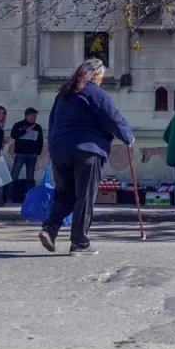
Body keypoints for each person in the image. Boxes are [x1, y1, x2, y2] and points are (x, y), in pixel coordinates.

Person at [39, 58, 134, 256]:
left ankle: (49, 229)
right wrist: (127, 137)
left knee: (65, 194)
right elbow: (113, 118)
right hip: (88, 150)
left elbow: (52, 121)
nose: (101, 81)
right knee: (85, 196)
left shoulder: (64, 95)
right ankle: (79, 243)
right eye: (102, 77)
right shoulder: (96, 93)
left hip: (60, 149)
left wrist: (54, 146)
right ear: (96, 75)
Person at [9, 107, 45, 185]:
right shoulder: (18, 125)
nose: (35, 118)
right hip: (20, 154)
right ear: (27, 116)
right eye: (33, 116)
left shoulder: (38, 127)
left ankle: (29, 193)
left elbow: (40, 141)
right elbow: (13, 135)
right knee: (14, 174)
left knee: (30, 177)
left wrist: (37, 153)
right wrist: (25, 131)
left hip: (32, 155)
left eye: (36, 116)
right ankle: (10, 193)